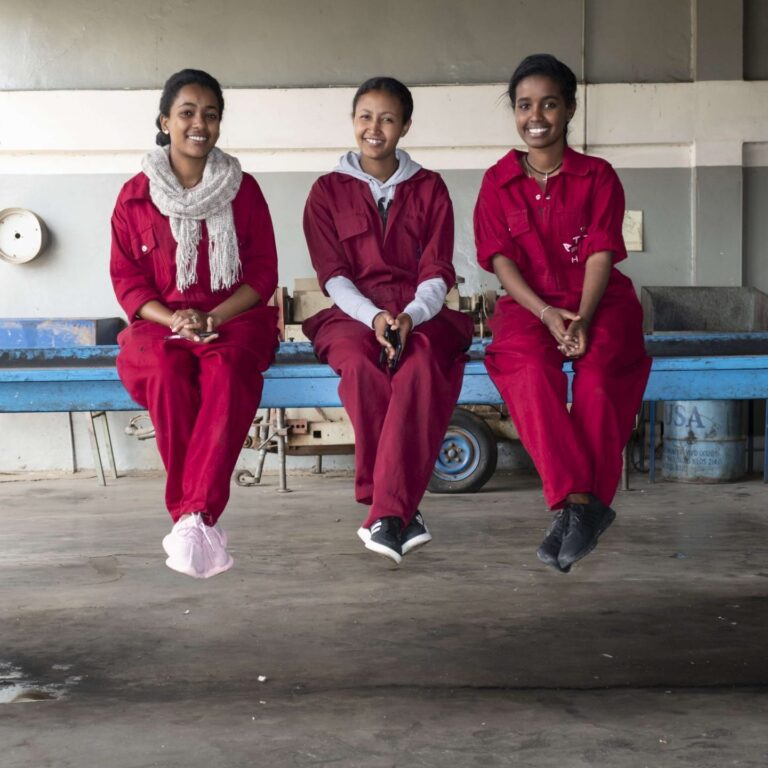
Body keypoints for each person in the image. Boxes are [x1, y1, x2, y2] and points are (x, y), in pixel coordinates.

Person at [473, 54, 651, 572]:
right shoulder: (496, 181)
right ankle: (578, 502)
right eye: (524, 105)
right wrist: (547, 312)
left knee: (600, 381)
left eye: (549, 104)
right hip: (528, 305)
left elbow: (600, 253)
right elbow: (501, 261)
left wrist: (584, 318)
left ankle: (579, 509)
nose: (536, 116)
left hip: (601, 300)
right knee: (528, 371)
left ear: (570, 109)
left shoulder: (598, 177)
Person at [110, 69, 279, 578]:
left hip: (234, 319)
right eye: (187, 112)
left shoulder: (243, 190)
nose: (199, 123)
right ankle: (195, 517)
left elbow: (263, 272)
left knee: (226, 371)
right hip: (161, 325)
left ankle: (193, 515)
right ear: (165, 121)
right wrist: (175, 320)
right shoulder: (135, 195)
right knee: (165, 370)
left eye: (210, 114)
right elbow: (127, 280)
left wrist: (214, 316)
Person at [302, 76, 474, 565]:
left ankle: (384, 511)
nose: (374, 128)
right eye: (365, 117)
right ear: (353, 120)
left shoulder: (430, 188)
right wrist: (375, 316)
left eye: (387, 119)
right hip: (351, 313)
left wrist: (411, 317)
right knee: (361, 367)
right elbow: (333, 275)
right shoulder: (326, 192)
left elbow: (437, 270)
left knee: (421, 367)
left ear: (405, 126)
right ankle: (397, 510)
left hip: (422, 311)